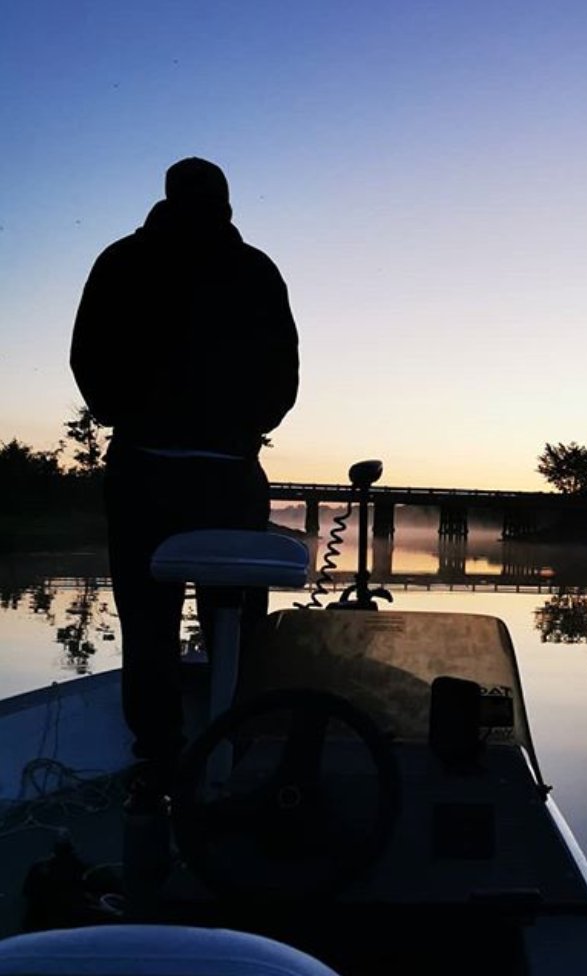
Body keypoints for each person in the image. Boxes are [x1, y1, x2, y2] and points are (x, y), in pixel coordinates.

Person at [70, 157, 299, 794]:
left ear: (165, 197)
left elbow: (86, 358)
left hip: (142, 469)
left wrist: (128, 415)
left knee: (146, 623)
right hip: (230, 473)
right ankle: (236, 742)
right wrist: (244, 426)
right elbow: (285, 374)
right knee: (239, 621)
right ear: (226, 203)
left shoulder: (120, 260)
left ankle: (158, 758)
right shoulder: (256, 270)